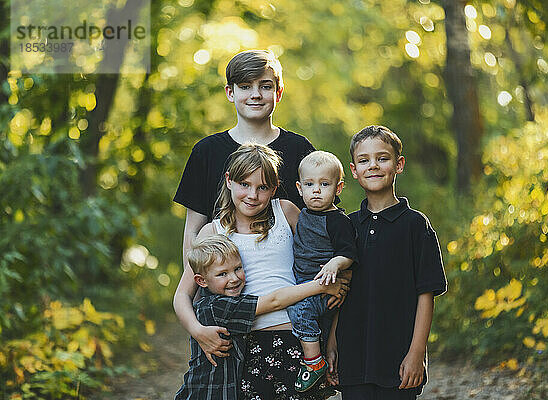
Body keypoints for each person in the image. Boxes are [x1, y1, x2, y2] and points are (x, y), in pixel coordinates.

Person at [173, 50, 319, 366]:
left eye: (265, 86)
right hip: (224, 306)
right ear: (230, 92)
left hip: (291, 314)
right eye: (245, 86)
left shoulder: (299, 150)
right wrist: (200, 309)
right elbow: (193, 230)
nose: (255, 94)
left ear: (279, 92)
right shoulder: (207, 152)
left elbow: (320, 226)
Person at [181, 143, 342, 399]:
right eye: (244, 184)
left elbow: (329, 259)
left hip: (299, 340)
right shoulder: (213, 231)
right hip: (244, 347)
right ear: (229, 181)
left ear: (274, 188)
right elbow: (182, 296)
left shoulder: (286, 212)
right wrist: (197, 330)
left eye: (262, 187)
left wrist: (332, 339)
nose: (252, 195)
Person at [326, 125, 447, 400]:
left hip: (398, 358)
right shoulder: (346, 226)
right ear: (353, 170)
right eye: (364, 160)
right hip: (353, 356)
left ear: (398, 164)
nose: (373, 166)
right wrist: (331, 342)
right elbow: (338, 293)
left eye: (382, 158)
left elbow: (426, 294)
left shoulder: (416, 226)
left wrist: (416, 353)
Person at [174, 234, 348, 400]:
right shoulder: (217, 307)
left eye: (238, 269)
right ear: (201, 281)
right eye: (222, 274)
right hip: (208, 392)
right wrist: (321, 286)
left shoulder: (222, 302)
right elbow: (274, 301)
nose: (234, 278)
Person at [285, 151, 357, 392]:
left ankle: (314, 363)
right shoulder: (303, 214)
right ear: (299, 187)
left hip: (325, 287)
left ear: (338, 188)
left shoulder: (337, 220)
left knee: (299, 310)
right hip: (305, 286)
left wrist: (335, 264)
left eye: (324, 184)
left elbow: (349, 253)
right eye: (309, 184)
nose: (316, 190)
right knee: (322, 334)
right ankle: (327, 374)